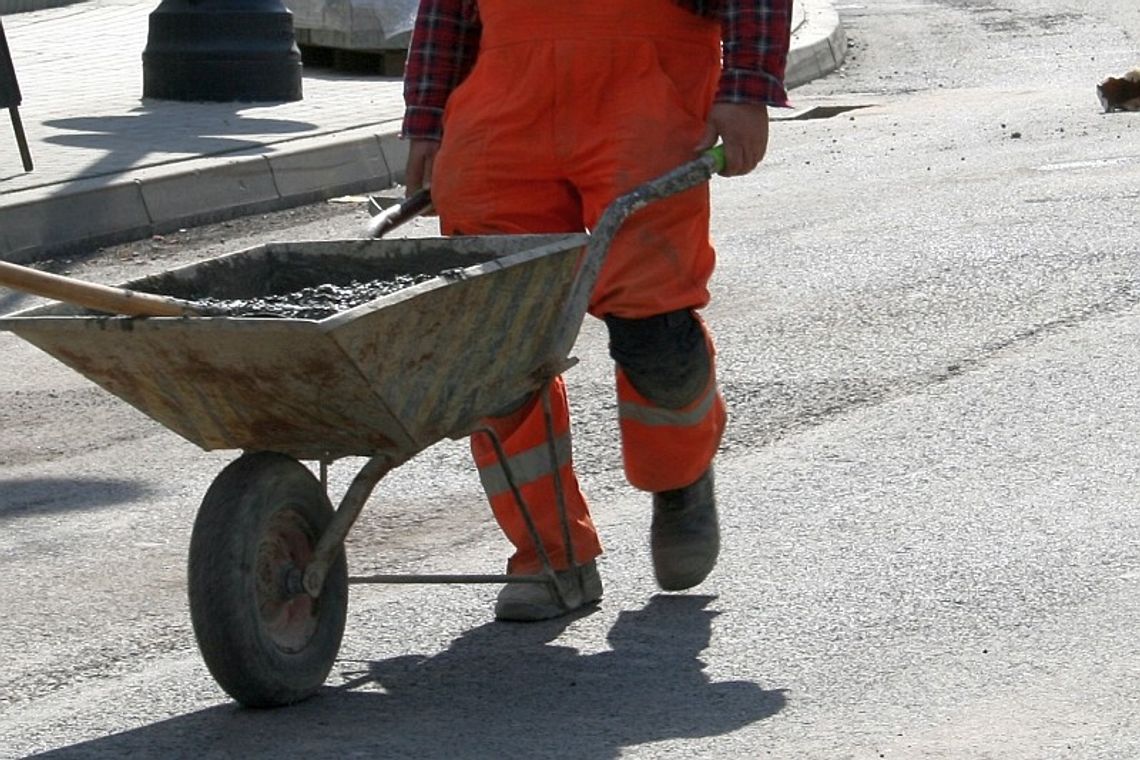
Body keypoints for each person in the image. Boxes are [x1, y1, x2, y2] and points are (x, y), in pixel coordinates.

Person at [401, 0, 792, 622]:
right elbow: (447, 9)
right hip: (502, 105)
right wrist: (426, 118)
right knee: (495, 343)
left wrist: (746, 88)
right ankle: (550, 554)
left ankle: (679, 476)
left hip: (645, 92)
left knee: (653, 326)